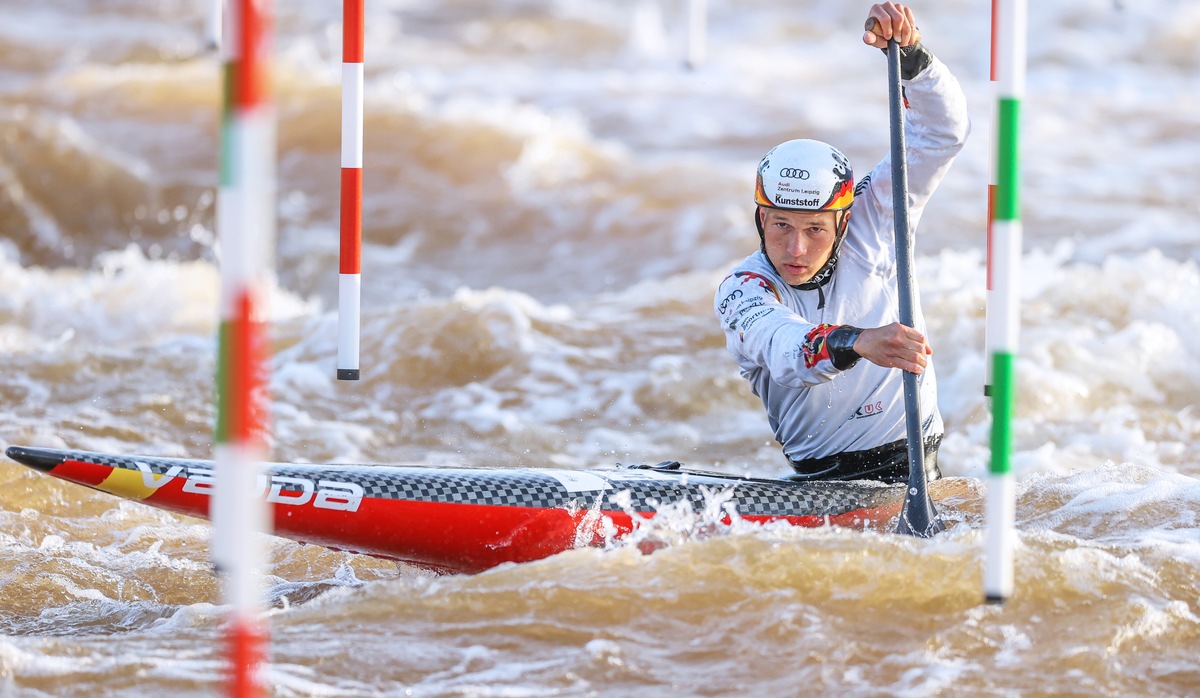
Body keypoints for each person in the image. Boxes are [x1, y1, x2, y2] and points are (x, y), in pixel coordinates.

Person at [713, 2, 969, 483]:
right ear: (760, 217)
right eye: (780, 226)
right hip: (820, 484)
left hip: (918, 464)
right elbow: (787, 352)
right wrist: (858, 341)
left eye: (815, 230)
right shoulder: (741, 288)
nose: (795, 251)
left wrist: (912, 58)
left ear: (844, 221)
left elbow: (941, 135)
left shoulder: (875, 218)